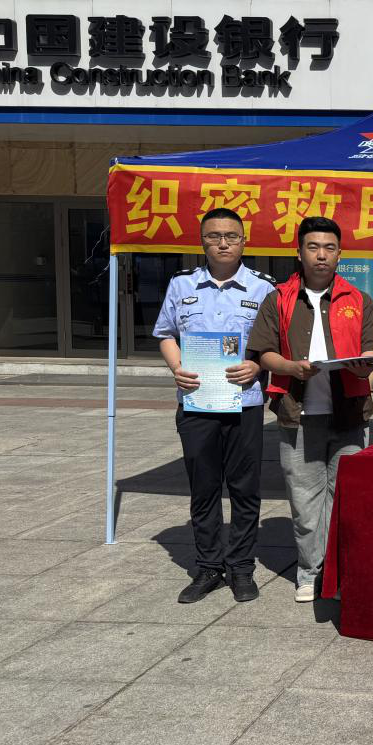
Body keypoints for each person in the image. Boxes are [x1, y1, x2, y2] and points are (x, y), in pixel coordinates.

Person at [249, 216, 373, 603]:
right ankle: (309, 572)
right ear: (299, 252)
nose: (321, 255)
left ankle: (338, 573)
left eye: (329, 248)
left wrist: (364, 364)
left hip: (349, 415)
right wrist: (291, 368)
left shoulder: (359, 300)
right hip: (298, 415)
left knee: (344, 498)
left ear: (340, 254)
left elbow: (371, 351)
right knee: (305, 500)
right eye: (313, 247)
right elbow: (264, 352)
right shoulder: (279, 298)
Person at [154, 208, 274, 604]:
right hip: (197, 403)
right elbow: (166, 333)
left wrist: (258, 365)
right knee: (203, 489)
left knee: (244, 489)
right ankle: (208, 567)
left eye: (231, 236)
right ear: (202, 241)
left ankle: (241, 567)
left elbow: (275, 344)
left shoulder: (263, 288)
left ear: (244, 241)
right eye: (214, 236)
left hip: (245, 403)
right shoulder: (181, 284)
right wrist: (177, 368)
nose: (223, 243)